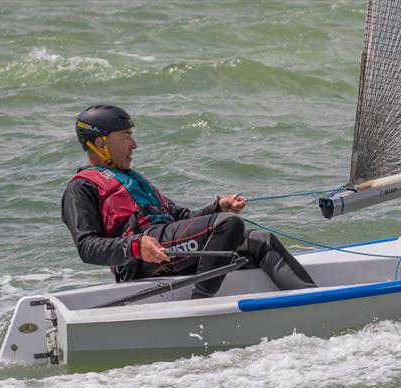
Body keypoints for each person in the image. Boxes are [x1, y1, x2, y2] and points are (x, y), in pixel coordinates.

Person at [62, 104, 316, 298]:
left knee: (261, 241)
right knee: (227, 225)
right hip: (140, 262)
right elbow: (87, 247)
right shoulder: (81, 187)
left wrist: (217, 207)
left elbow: (180, 219)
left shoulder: (132, 180)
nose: (134, 145)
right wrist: (136, 246)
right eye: (126, 136)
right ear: (100, 143)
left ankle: (311, 301)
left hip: (172, 247)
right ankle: (199, 307)